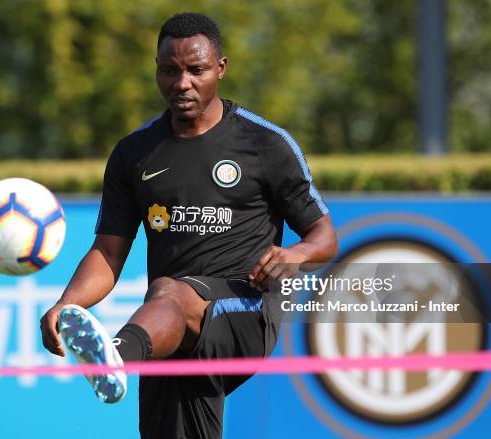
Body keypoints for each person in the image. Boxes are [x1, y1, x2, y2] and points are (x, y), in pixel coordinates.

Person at [40, 11, 337, 439]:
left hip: (245, 310)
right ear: (156, 71)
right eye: (169, 71)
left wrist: (295, 255)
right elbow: (108, 253)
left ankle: (116, 358)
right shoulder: (134, 153)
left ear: (221, 68)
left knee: (170, 290)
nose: (182, 83)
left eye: (196, 70)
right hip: (166, 330)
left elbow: (325, 237)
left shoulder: (264, 144)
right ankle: (127, 353)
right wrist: (68, 306)